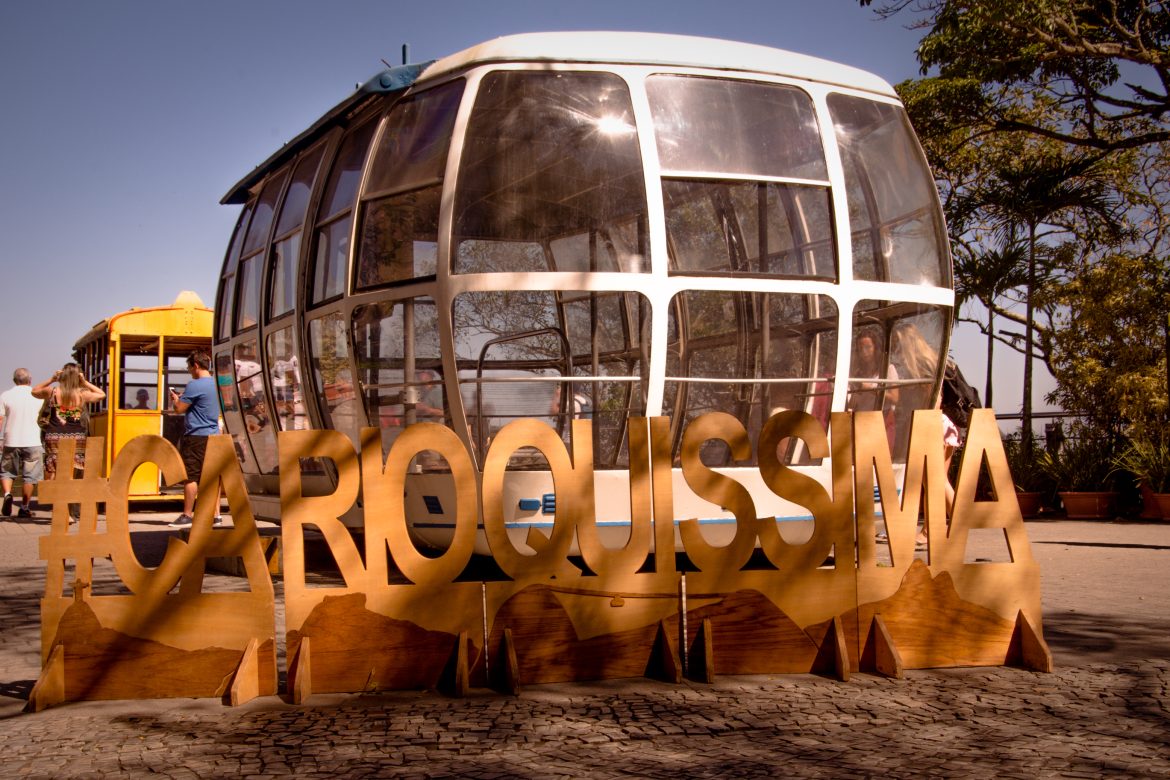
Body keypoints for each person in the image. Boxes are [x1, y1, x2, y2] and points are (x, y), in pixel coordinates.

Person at [32, 363, 106, 521]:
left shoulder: (52, 392)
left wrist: (51, 379)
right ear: (77, 377)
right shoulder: (82, 393)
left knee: (57, 475)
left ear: (62, 376)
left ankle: (60, 511)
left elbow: (34, 391)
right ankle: (68, 513)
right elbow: (101, 394)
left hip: (54, 437)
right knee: (71, 476)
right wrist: (85, 382)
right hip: (76, 438)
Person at [168, 350, 222, 528]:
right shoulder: (217, 383)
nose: (189, 371)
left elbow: (179, 410)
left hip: (196, 436)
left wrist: (176, 400)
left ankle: (187, 515)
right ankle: (216, 516)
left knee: (191, 477)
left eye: (189, 367)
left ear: (196, 365)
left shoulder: (194, 385)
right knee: (212, 477)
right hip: (214, 436)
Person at [0, 368, 47, 518]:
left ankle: (7, 494)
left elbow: (0, 419)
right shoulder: (38, 396)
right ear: (30, 380)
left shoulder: (5, 395)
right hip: (32, 440)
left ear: (14, 380)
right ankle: (24, 507)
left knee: (7, 471)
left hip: (10, 440)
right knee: (30, 476)